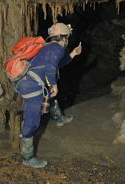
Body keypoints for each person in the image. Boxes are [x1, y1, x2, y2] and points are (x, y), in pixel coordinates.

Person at [16, 23, 82, 168]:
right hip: (32, 87)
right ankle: (27, 157)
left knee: (50, 98)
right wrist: (54, 85)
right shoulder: (56, 48)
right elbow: (51, 68)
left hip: (30, 83)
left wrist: (73, 54)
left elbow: (57, 64)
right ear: (63, 38)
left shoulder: (48, 47)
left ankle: (60, 118)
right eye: (67, 38)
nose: (67, 41)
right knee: (32, 121)